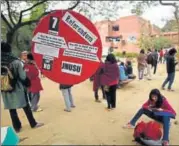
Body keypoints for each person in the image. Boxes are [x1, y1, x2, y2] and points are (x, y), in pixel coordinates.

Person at [1, 42, 44, 133]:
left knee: (12, 109)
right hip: (18, 88)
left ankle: (17, 127)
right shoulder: (15, 62)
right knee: (26, 106)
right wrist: (27, 83)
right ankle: (33, 123)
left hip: (5, 89)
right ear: (9, 49)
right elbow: (23, 76)